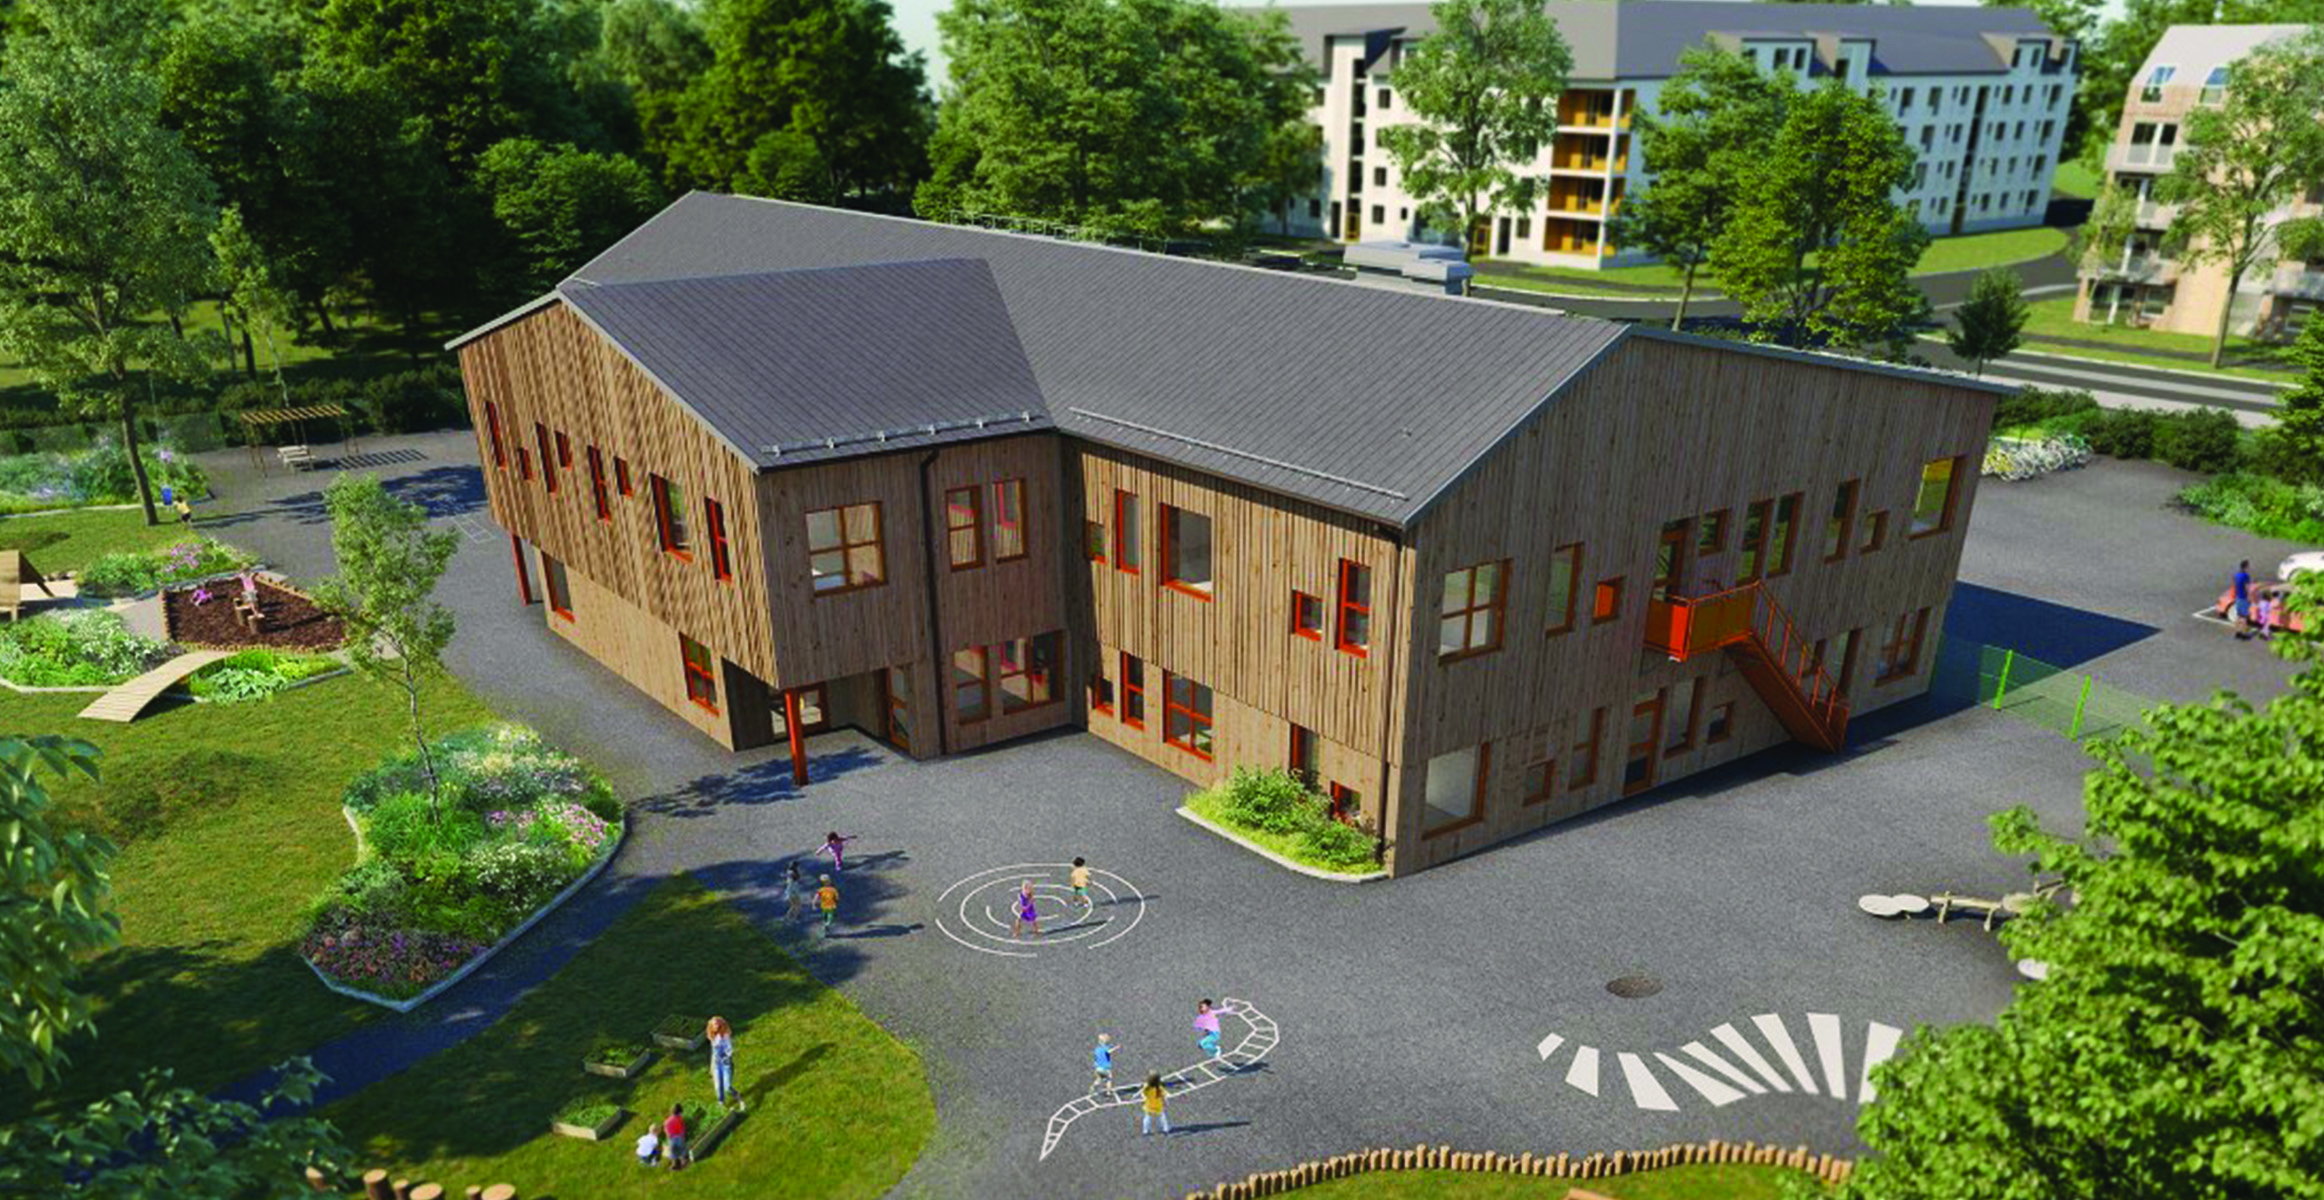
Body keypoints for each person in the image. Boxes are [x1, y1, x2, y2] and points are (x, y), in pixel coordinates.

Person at [706, 1016, 741, 1110]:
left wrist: (725, 1057)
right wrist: (711, 1067)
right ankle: (721, 1101)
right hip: (716, 1064)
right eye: (714, 1024)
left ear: (721, 1024)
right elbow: (713, 1053)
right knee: (718, 1086)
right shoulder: (713, 1038)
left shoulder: (725, 1036)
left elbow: (729, 1050)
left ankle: (735, 1094)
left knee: (727, 1086)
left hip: (726, 1063)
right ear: (711, 1026)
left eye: (718, 1024)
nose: (716, 1026)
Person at [663, 1103, 690, 1170]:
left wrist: (669, 1136)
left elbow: (667, 1130)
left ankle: (674, 1164)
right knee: (682, 1150)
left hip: (672, 1138)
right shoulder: (679, 1118)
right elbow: (682, 1128)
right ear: (680, 1112)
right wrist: (683, 1135)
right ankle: (683, 1162)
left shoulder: (667, 1121)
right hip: (680, 1137)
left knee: (673, 1152)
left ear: (671, 1112)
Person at [2232, 560, 2254, 637]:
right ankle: (2244, 633)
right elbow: (2247, 587)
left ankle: (2237, 632)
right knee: (2244, 617)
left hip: (2238, 597)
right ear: (2246, 567)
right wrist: (2250, 597)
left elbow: (2235, 586)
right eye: (2248, 566)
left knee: (2238, 616)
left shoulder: (2236, 575)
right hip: (2244, 598)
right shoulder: (2246, 576)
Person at [816, 873, 840, 938]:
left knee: (824, 917)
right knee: (830, 918)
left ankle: (825, 929)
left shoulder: (821, 890)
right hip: (831, 906)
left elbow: (816, 897)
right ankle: (827, 925)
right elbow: (837, 898)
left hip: (823, 906)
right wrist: (836, 901)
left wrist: (814, 902)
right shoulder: (833, 890)